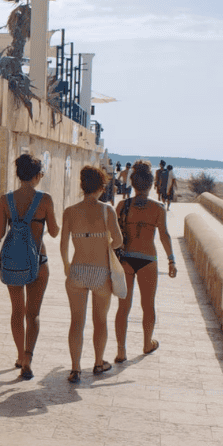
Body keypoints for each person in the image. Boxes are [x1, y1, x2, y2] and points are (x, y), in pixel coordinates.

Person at [0, 153, 59, 380]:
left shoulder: (5, 200)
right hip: (39, 261)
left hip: (13, 262)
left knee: (17, 311)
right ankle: (29, 358)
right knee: (33, 314)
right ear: (38, 175)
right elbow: (53, 231)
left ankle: (20, 355)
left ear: (18, 173)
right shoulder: (45, 199)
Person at [61, 165, 124, 383]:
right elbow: (118, 241)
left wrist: (66, 266)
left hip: (77, 270)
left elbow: (63, 245)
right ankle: (98, 363)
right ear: (101, 187)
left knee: (76, 321)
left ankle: (75, 369)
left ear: (82, 186)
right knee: (100, 321)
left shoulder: (70, 211)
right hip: (100, 272)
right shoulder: (107, 210)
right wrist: (104, 241)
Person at [114, 160, 177, 362]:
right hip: (148, 260)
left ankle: (121, 351)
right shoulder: (158, 208)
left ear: (133, 184)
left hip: (126, 260)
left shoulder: (122, 205)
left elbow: (114, 236)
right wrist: (171, 260)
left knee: (123, 307)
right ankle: (147, 343)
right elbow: (164, 236)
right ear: (151, 185)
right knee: (148, 305)